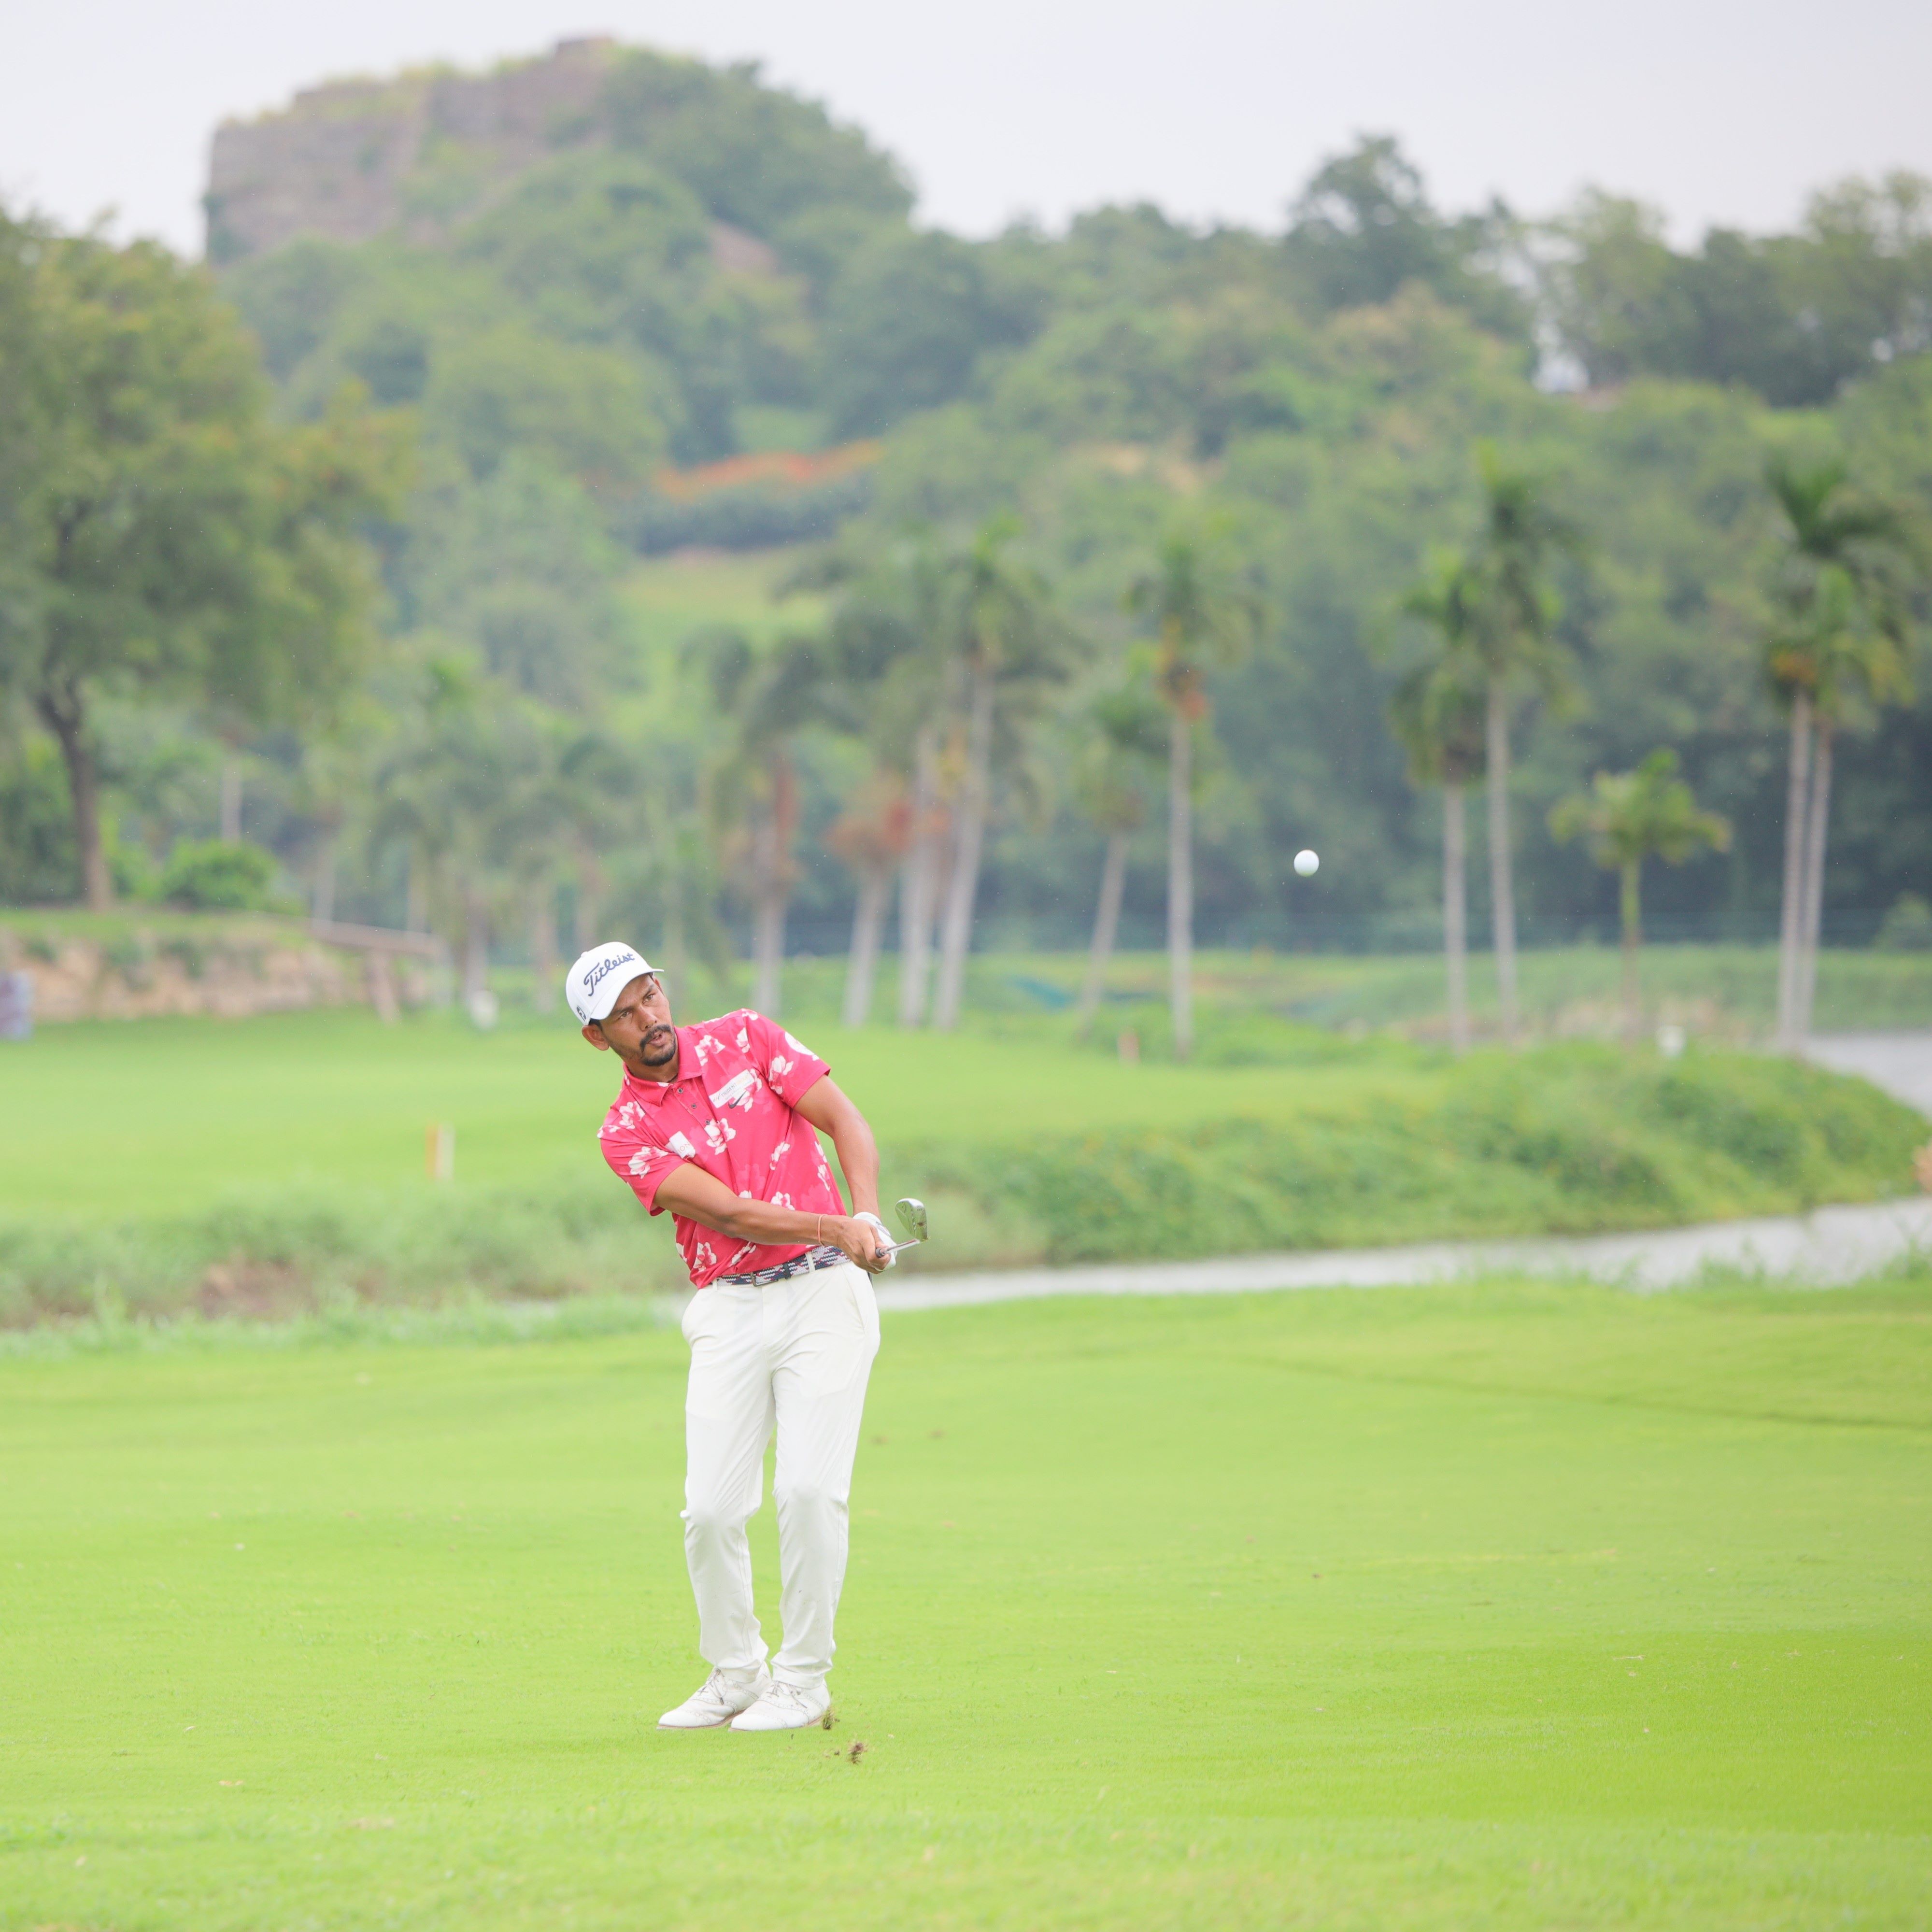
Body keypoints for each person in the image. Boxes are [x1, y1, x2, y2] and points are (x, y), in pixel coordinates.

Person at [567, 941, 893, 1733]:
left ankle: (804, 1681)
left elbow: (843, 1119)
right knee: (710, 1511)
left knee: (809, 1493)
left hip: (823, 1293)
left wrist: (867, 1214)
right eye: (624, 1015)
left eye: (650, 996)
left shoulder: (747, 1036)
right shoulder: (624, 1131)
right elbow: (730, 1214)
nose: (648, 1018)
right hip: (729, 1307)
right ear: (597, 1037)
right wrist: (836, 1224)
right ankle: (738, 1673)